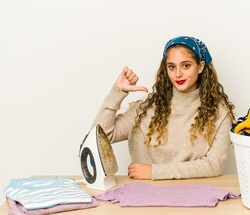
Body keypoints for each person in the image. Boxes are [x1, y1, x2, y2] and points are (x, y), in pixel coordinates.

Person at [92, 36, 235, 180]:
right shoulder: (145, 109)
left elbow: (213, 165)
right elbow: (99, 137)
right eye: (171, 66)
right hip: (142, 194)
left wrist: (155, 172)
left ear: (200, 66)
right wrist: (118, 92)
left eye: (186, 65)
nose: (178, 73)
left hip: (192, 195)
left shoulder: (220, 113)